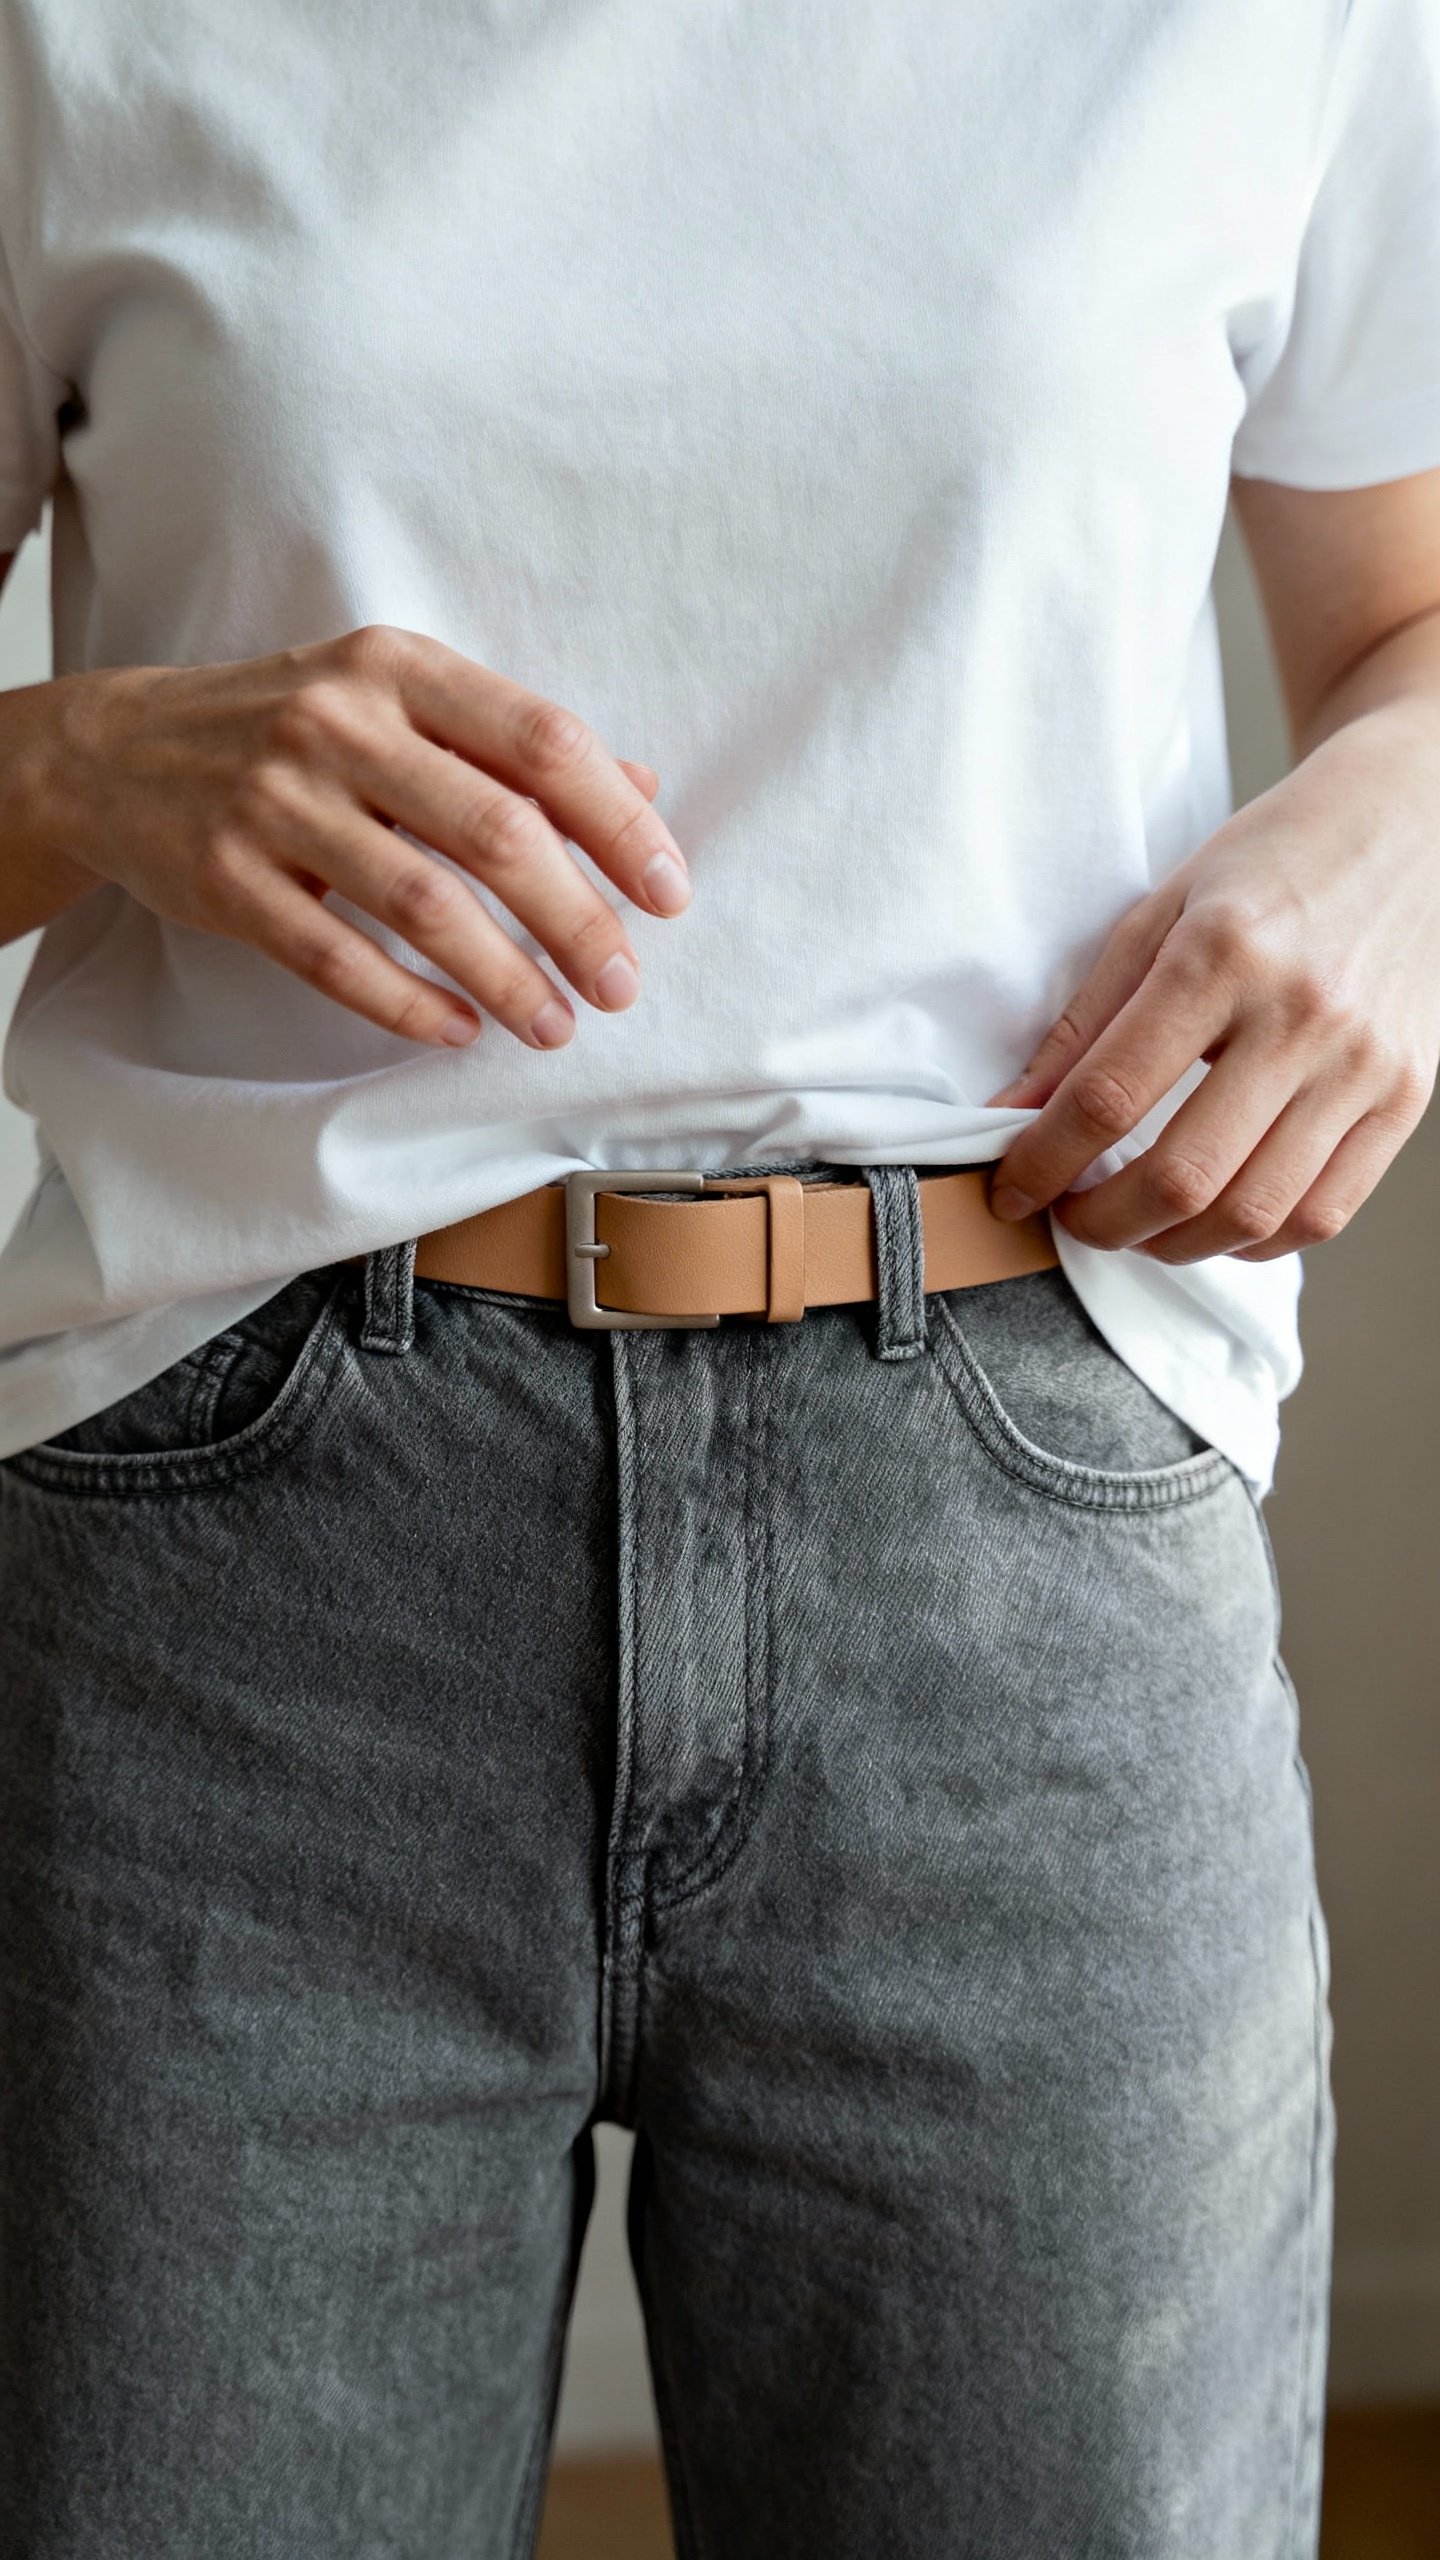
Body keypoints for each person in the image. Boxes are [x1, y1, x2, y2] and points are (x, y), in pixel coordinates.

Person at [0, 2, 1437, 2553]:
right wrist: (78, 758)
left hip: (1026, 1530)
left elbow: (1407, 616)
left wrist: (1410, 832)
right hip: (235, 1589)